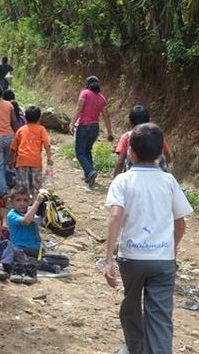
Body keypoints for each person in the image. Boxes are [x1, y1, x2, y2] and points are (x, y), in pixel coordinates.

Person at [104, 123, 192, 354]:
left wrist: (108, 259)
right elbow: (180, 222)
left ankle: (135, 349)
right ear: (161, 153)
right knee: (160, 316)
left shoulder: (123, 181)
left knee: (130, 307)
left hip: (131, 258)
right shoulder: (168, 181)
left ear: (130, 153)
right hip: (163, 259)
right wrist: (170, 249)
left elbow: (115, 217)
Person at [7, 188, 63, 281]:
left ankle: (38, 263)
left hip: (36, 250)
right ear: (11, 202)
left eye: (25, 200)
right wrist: (37, 202)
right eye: (18, 200)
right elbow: (26, 221)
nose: (22, 203)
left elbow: (45, 221)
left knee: (64, 260)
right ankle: (43, 265)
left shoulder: (31, 210)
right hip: (20, 249)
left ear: (29, 201)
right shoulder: (12, 215)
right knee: (16, 255)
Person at [69, 75, 114, 187]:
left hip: (84, 126)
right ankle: (88, 176)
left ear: (87, 85)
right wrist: (109, 132)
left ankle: (90, 171)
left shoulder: (85, 93)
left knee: (79, 152)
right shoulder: (102, 98)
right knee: (87, 150)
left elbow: (79, 108)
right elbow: (106, 116)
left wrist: (72, 123)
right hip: (95, 128)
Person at [113, 105, 172, 177]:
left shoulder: (126, 137)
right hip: (159, 179)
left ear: (130, 122)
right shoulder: (157, 135)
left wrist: (116, 180)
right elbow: (168, 158)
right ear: (149, 121)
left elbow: (120, 162)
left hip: (135, 179)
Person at [10, 106, 53, 199]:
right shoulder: (41, 129)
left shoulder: (21, 130)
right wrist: (49, 157)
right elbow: (47, 144)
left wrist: (12, 160)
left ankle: (22, 205)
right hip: (35, 162)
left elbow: (14, 148)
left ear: (25, 117)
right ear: (39, 117)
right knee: (35, 187)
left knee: (22, 186)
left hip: (22, 161)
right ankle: (34, 205)